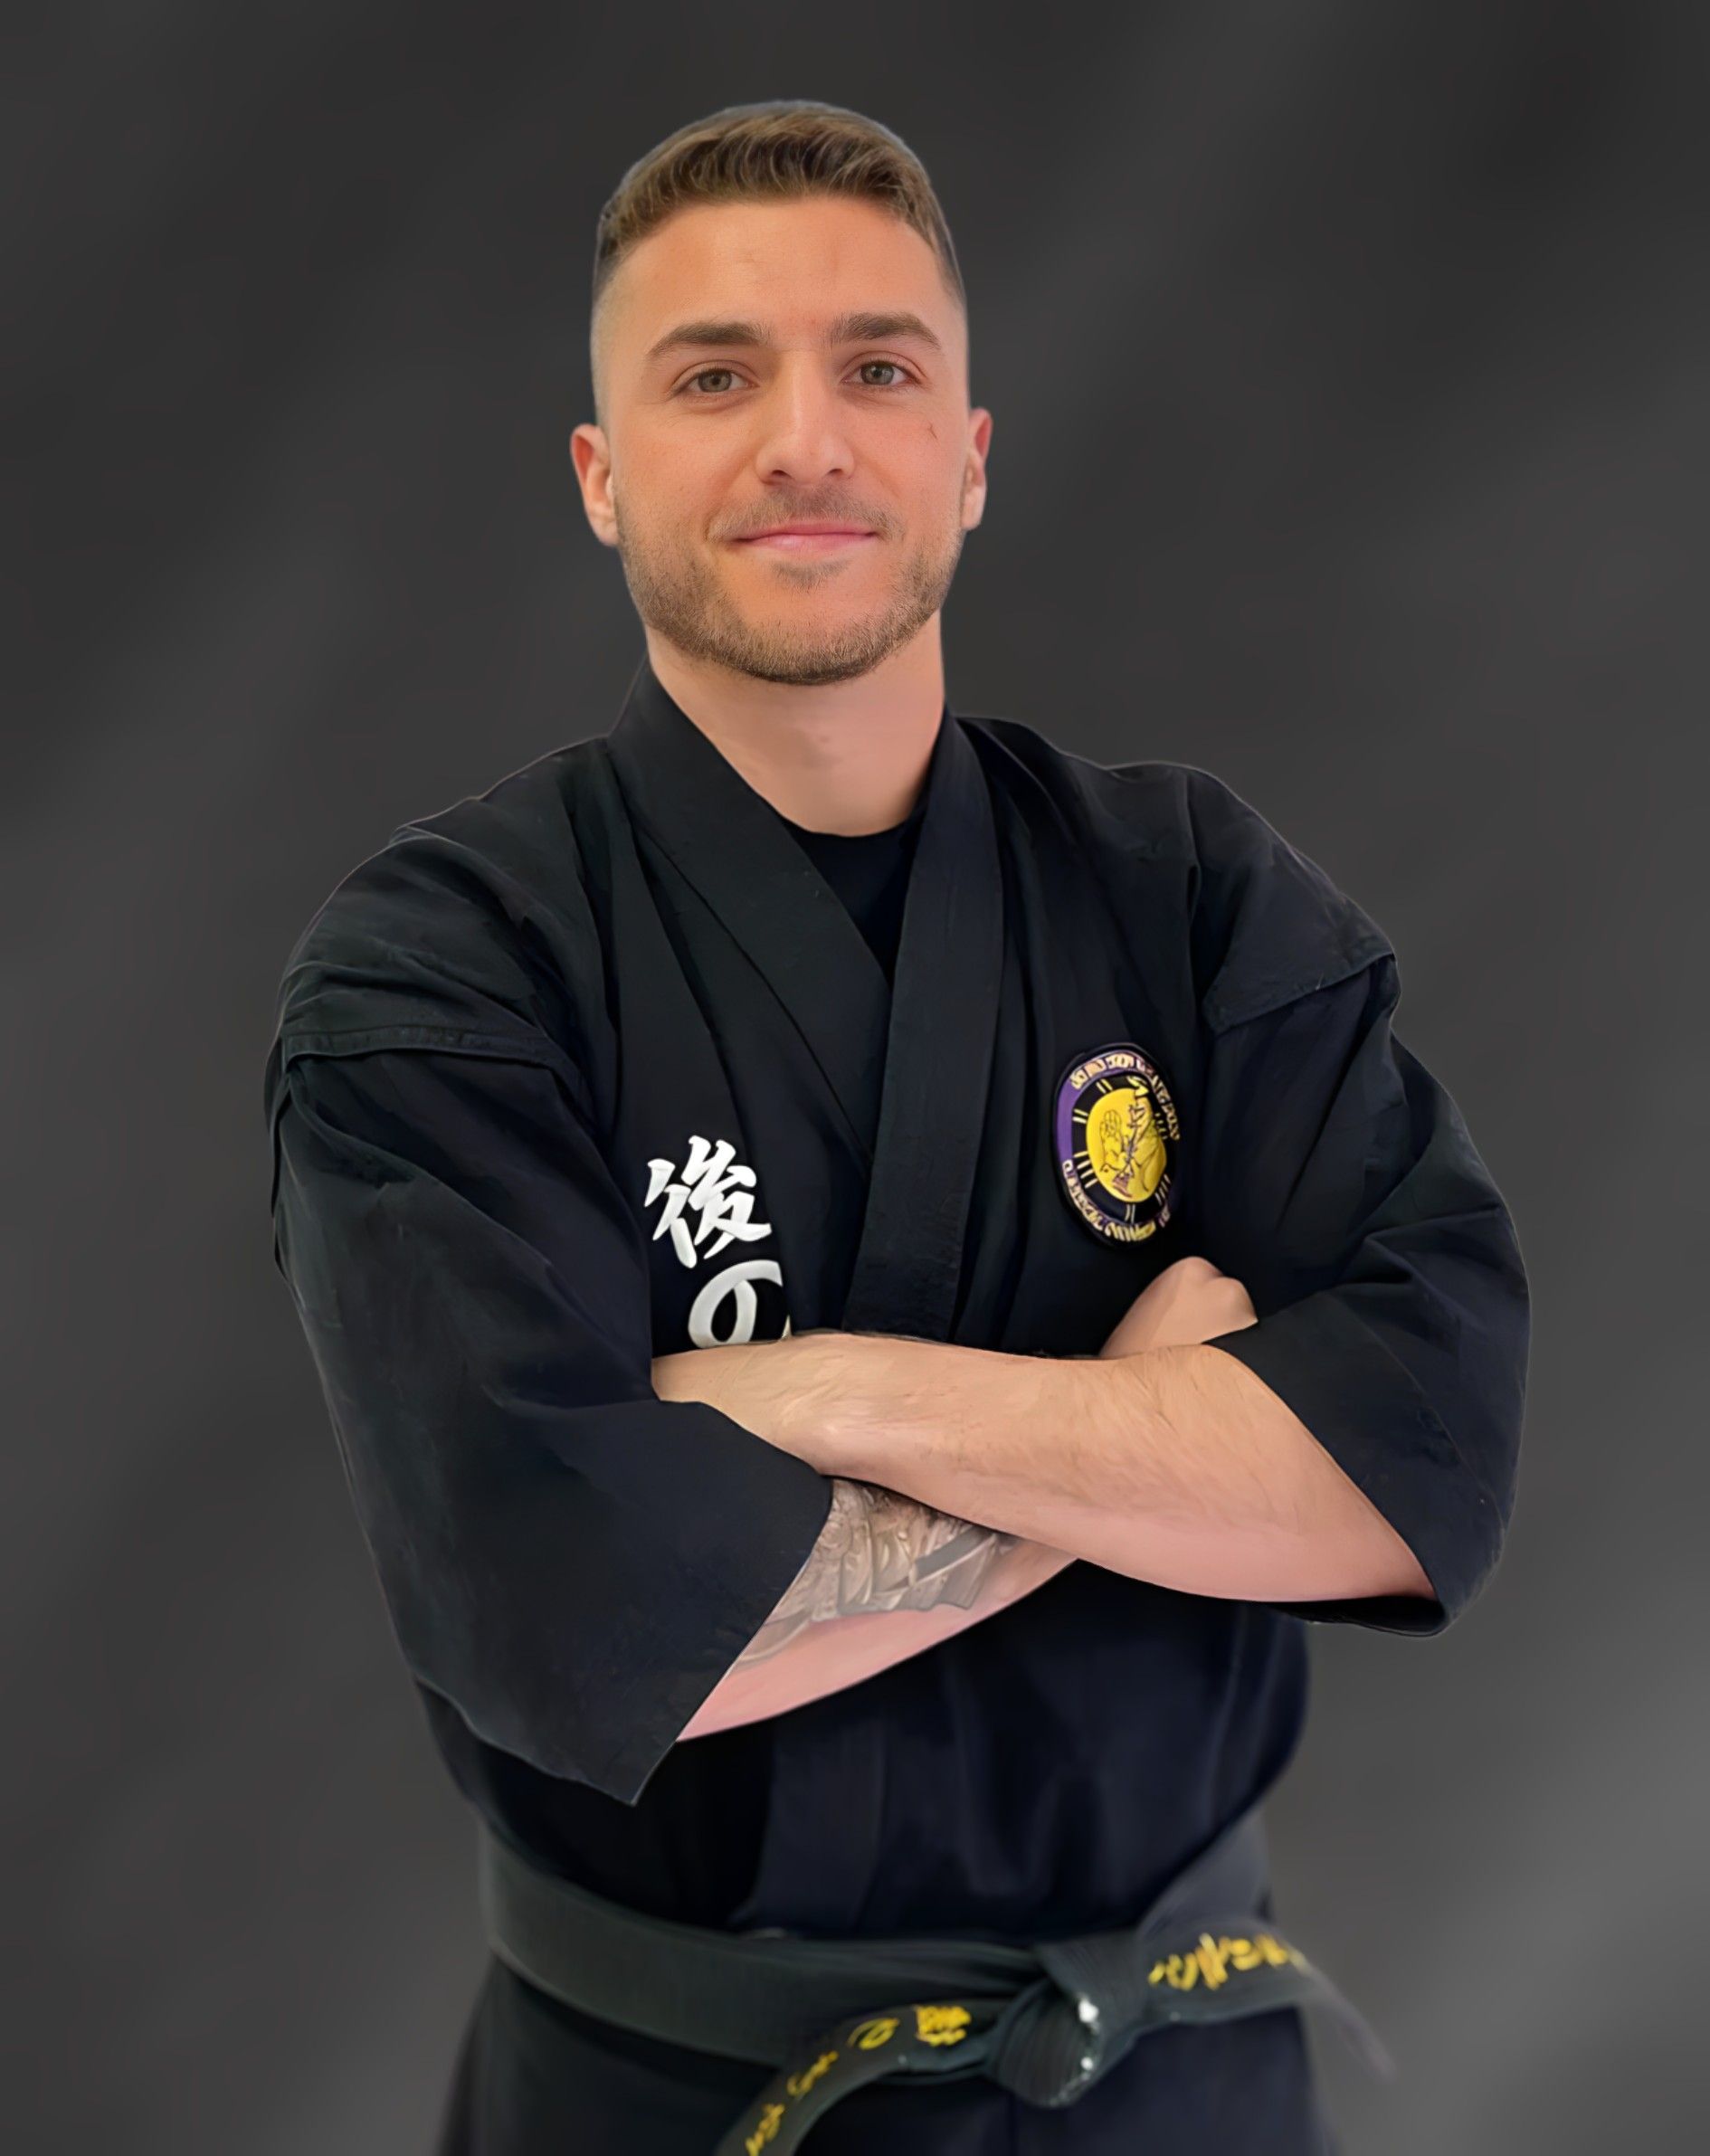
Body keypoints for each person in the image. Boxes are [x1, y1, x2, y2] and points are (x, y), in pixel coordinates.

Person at [263, 99, 1529, 2156]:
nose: (805, 440)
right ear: (600, 477)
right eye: (711, 376)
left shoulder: (1189, 900)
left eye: (879, 367)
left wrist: (829, 1394)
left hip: (1180, 2094)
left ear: (969, 454)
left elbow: (1420, 1459)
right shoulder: (445, 972)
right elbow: (582, 1624)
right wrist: (1133, 1437)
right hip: (680, 2098)